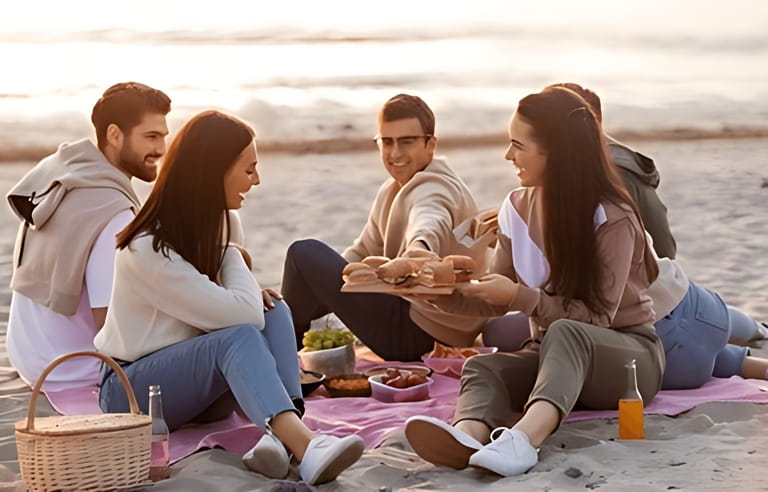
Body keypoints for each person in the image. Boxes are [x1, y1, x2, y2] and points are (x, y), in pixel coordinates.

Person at [404, 87, 665, 476]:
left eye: (517, 145)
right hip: (551, 359)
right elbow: (497, 297)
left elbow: (595, 318)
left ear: (554, 152)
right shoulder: (516, 208)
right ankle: (467, 436)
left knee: (565, 331)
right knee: (483, 368)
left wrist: (522, 297)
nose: (509, 156)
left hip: (628, 359)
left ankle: (524, 440)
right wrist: (442, 294)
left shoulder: (612, 217)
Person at [93, 110, 363, 485]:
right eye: (249, 169)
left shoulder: (221, 222)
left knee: (275, 309)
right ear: (214, 171)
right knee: (244, 329)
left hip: (196, 387)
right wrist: (231, 253)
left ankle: (281, 437)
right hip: (134, 394)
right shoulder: (146, 250)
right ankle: (305, 446)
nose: (256, 180)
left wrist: (248, 284)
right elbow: (243, 317)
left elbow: (251, 310)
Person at [482, 83, 768, 389]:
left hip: (674, 308)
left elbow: (643, 265)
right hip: (654, 315)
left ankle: (757, 330)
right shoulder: (558, 190)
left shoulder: (605, 191)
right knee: (502, 332)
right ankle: (747, 342)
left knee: (728, 332)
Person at [281, 93, 489, 361]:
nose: (395, 153)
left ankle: (283, 355)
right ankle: (283, 330)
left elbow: (428, 219)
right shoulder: (392, 190)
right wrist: (317, 283)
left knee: (303, 253)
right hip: (418, 324)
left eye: (407, 142)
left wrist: (419, 249)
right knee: (303, 284)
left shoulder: (436, 187)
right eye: (386, 142)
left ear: (431, 144)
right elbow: (360, 253)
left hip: (420, 334)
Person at [6, 82, 170, 389]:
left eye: (163, 136)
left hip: (28, 353)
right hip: (72, 368)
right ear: (114, 135)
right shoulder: (113, 214)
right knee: (220, 344)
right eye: (150, 137)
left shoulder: (61, 174)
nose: (160, 149)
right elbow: (113, 331)